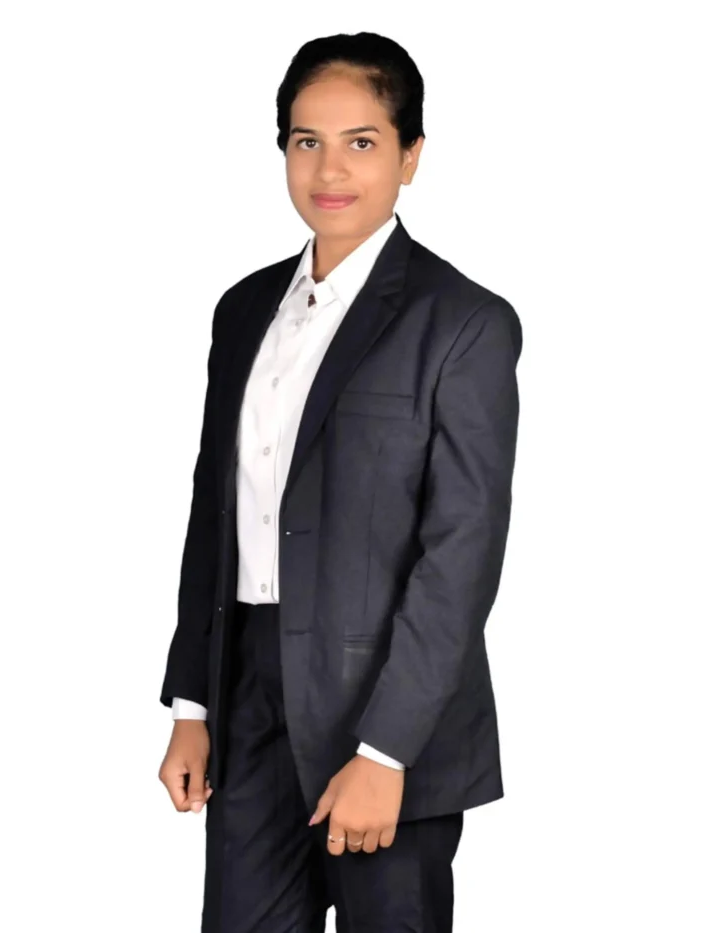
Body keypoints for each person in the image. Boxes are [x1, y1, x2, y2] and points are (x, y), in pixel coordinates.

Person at [158, 30, 523, 933]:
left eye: (362, 141)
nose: (330, 169)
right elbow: (215, 512)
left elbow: (460, 555)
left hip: (388, 698)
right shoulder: (244, 309)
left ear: (411, 155)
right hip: (250, 692)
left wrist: (386, 749)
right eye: (306, 141)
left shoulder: (462, 322)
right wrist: (193, 702)